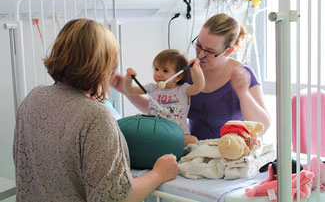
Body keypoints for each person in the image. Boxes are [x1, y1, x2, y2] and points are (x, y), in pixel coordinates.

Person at [13, 18, 178, 202]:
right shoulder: (95, 117)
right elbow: (115, 198)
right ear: (103, 67)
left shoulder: (33, 98)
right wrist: (159, 174)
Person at [111, 13, 271, 140]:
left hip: (231, 155)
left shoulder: (243, 74)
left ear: (229, 51)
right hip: (193, 152)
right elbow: (161, 108)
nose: (201, 54)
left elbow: (262, 127)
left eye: (210, 51)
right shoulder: (186, 71)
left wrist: (243, 94)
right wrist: (126, 90)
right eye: (199, 45)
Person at [123, 49, 205, 146]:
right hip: (155, 131)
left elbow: (199, 86)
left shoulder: (183, 89)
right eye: (156, 69)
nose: (158, 74)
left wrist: (196, 71)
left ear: (178, 77)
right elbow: (130, 89)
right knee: (138, 119)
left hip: (176, 133)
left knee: (193, 140)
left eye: (165, 71)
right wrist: (128, 78)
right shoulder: (152, 88)